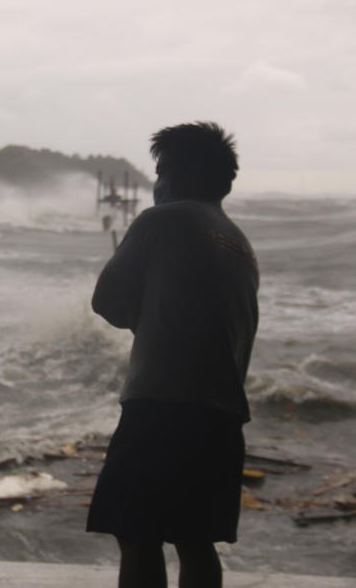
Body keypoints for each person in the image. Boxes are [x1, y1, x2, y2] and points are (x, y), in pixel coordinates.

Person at [86, 122, 259, 588]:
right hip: (221, 418)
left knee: (137, 534)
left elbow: (106, 302)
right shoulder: (239, 243)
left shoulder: (161, 220)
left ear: (180, 175)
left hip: (162, 407)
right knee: (194, 540)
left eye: (161, 171)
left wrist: (148, 319)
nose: (156, 183)